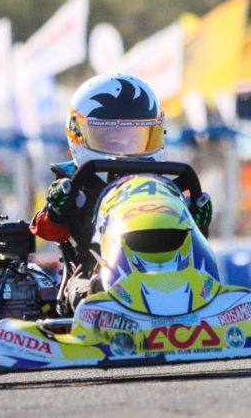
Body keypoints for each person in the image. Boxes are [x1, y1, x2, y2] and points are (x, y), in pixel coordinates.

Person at [31, 73, 213, 315]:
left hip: (168, 271)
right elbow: (47, 231)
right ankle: (103, 307)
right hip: (94, 272)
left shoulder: (163, 185)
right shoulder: (76, 183)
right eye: (111, 138)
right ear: (78, 134)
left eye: (134, 137)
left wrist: (197, 220)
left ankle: (201, 293)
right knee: (86, 289)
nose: (124, 148)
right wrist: (57, 208)